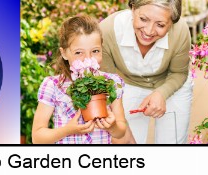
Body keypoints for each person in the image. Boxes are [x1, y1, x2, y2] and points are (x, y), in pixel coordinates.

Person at [100, 0, 193, 144]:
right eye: (143, 19)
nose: (149, 31)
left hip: (172, 83)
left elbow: (178, 73)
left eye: (160, 25)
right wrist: (120, 122)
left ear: (171, 23)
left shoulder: (180, 31)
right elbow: (108, 81)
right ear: (133, 9)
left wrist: (161, 93)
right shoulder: (107, 31)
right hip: (125, 85)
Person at [32, 15, 131, 144]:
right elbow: (37, 137)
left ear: (102, 48)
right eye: (79, 52)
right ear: (64, 53)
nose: (88, 58)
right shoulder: (53, 85)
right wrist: (68, 130)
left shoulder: (111, 82)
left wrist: (112, 127)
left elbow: (121, 130)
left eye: (95, 51)